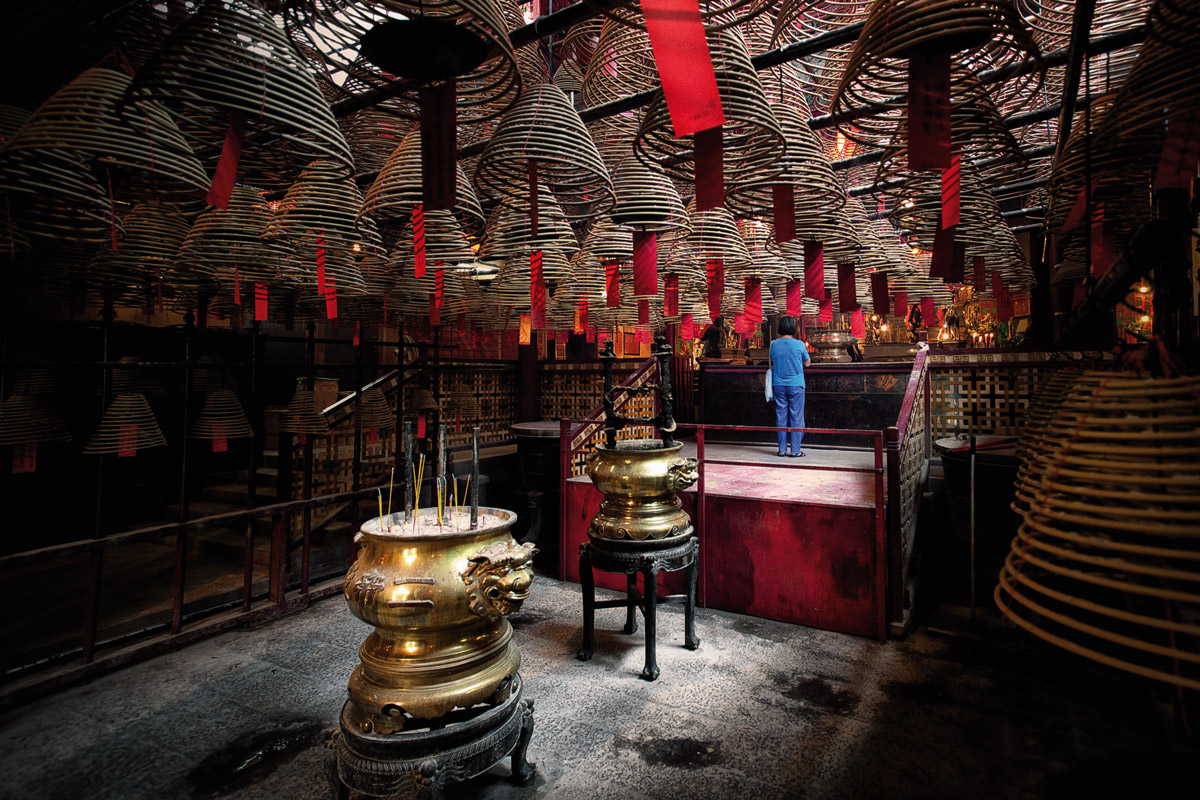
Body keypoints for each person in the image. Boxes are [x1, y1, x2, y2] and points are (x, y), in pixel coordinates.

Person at [769, 316, 811, 457]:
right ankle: (795, 450)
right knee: (796, 417)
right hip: (796, 385)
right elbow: (807, 363)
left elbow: (773, 362)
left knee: (781, 416)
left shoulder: (774, 344)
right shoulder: (799, 344)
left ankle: (781, 450)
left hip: (779, 384)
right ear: (794, 328)